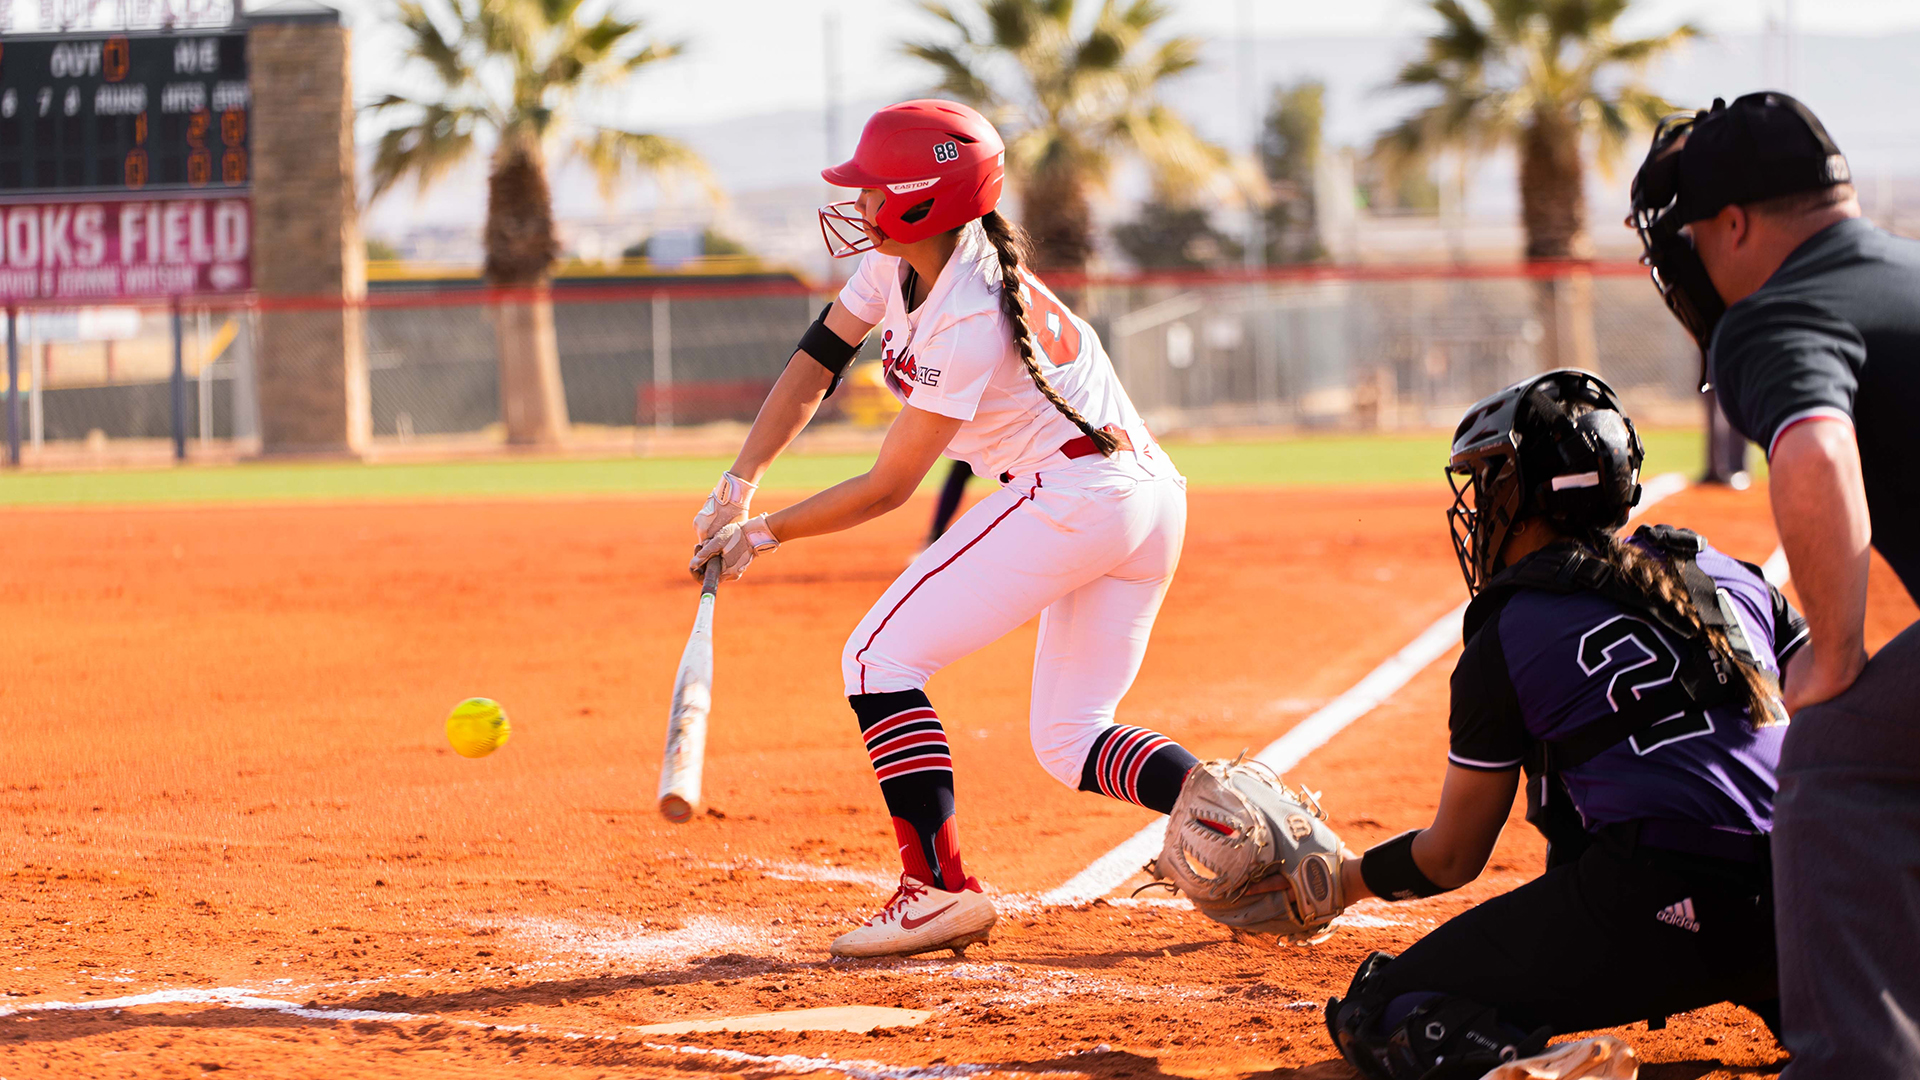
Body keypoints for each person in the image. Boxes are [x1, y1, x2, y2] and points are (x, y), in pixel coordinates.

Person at [687, 99, 1197, 959]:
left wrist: (761, 534)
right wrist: (740, 481)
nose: (858, 202)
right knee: (1071, 738)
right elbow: (817, 361)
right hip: (1137, 495)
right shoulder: (900, 264)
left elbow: (889, 487)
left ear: (924, 201)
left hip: (1076, 496)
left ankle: (937, 890)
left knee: (875, 659)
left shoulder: (966, 308)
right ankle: (1234, 813)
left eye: (874, 188)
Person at [1324, 370, 1803, 1080]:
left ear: (1521, 493)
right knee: (1871, 1021)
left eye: (1488, 482)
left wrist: (1342, 880)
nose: (1479, 505)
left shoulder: (1510, 628)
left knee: (1384, 1007)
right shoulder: (1725, 572)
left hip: (1658, 902)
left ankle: (1535, 1066)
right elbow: (1837, 699)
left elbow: (1452, 857)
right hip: (1805, 892)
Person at [1628, 91, 1920, 1078]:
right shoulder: (1906, 271)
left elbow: (1816, 450)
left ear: (1736, 224)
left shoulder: (1778, 310)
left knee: (1841, 756)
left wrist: (1833, 655)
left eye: (1696, 237)